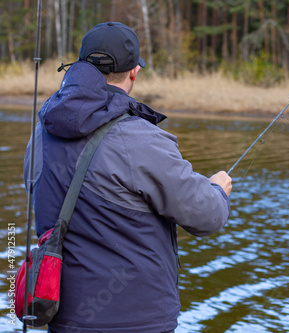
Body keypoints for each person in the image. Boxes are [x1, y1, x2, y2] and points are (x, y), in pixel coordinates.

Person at [24, 22, 232, 333]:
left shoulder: (40, 132)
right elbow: (206, 216)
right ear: (134, 71)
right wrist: (218, 189)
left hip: (62, 318)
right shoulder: (141, 139)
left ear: (81, 65)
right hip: (137, 322)